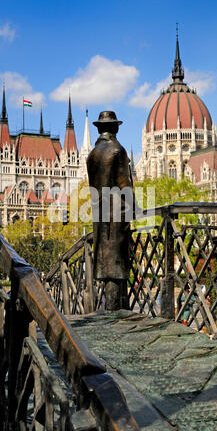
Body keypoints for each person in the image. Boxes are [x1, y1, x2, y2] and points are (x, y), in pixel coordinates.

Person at [86, 111, 134, 310]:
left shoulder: (93, 154)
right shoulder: (117, 150)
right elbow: (125, 186)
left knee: (106, 262)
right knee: (116, 265)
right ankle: (114, 313)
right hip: (117, 214)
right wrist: (135, 209)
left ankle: (112, 310)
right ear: (115, 127)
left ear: (99, 128)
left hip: (99, 213)